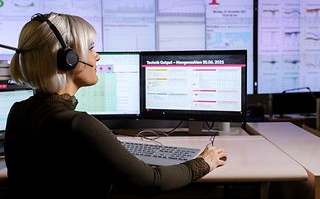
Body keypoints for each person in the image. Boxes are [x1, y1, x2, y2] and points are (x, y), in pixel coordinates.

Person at [4, 12, 227, 199]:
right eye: (91, 48)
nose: (97, 56)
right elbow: (151, 181)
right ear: (68, 58)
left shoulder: (18, 112)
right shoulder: (76, 124)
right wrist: (202, 163)